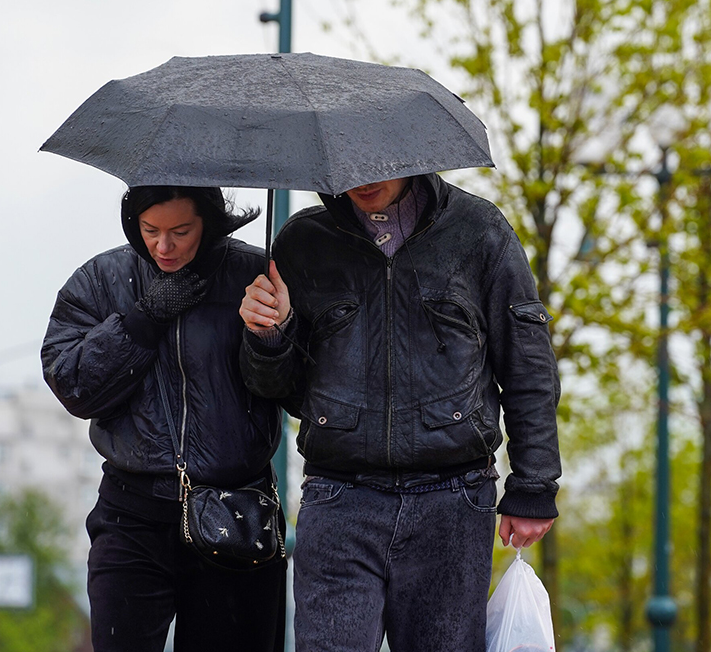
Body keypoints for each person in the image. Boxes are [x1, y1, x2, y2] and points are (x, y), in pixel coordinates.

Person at [239, 174, 561, 652]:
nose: (363, 180)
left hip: (454, 501)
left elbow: (528, 366)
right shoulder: (302, 242)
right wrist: (270, 335)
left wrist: (533, 486)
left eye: (378, 165)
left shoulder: (479, 231)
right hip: (338, 498)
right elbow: (283, 392)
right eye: (351, 167)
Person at [42, 186, 285, 652]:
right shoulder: (99, 280)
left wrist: (274, 338)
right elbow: (74, 387)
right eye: (150, 231)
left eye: (180, 231)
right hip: (131, 514)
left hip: (235, 511)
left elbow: (296, 389)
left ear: (209, 222)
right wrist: (143, 319)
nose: (163, 246)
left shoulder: (256, 276)